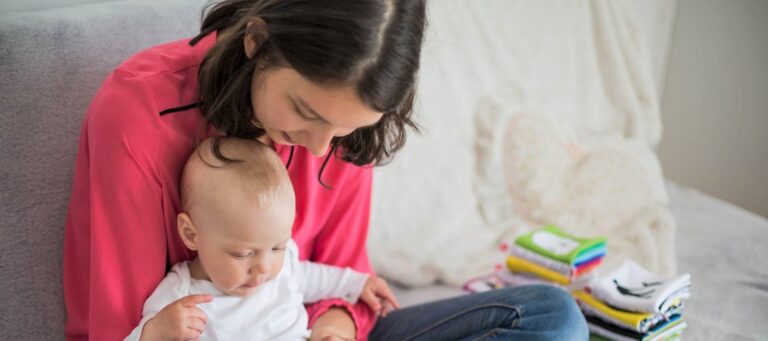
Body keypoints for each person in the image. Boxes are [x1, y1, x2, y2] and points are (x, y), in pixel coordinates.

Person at [63, 0, 589, 340]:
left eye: (342, 131)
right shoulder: (138, 115)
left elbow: (340, 275)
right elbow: (123, 325)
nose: (320, 149)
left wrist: (334, 328)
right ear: (257, 40)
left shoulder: (341, 130)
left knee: (553, 316)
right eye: (307, 113)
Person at [125, 138, 399, 340]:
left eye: (278, 246)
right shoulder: (180, 296)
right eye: (242, 254)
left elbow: (314, 277)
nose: (264, 267)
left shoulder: (282, 264)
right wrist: (152, 333)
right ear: (191, 234)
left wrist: (358, 283)